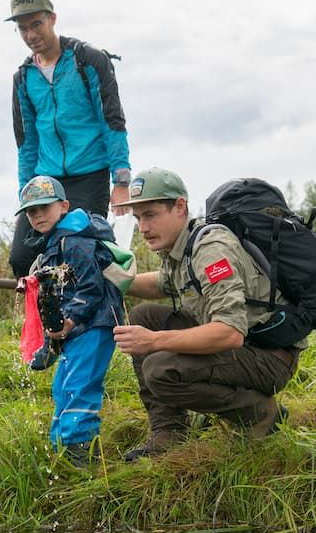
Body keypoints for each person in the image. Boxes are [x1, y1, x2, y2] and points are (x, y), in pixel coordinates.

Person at [112, 168, 302, 461]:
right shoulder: (182, 246)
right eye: (138, 218)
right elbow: (162, 283)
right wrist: (114, 278)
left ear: (180, 206)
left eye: (150, 215)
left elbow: (229, 332)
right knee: (144, 315)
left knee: (160, 370)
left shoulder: (210, 248)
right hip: (246, 349)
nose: (143, 227)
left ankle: (261, 414)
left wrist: (153, 341)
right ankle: (168, 432)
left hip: (268, 358)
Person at [6, 0, 132, 280]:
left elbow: (112, 122)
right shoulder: (23, 78)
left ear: (52, 18)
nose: (30, 35)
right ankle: (43, 312)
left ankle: (92, 309)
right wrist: (25, 193)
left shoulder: (88, 60)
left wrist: (121, 180)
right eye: (22, 28)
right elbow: (26, 143)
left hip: (90, 175)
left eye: (36, 24)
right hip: (45, 181)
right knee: (22, 259)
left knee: (80, 253)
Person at [17, 175, 125, 466]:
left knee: (79, 386)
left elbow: (91, 287)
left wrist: (70, 320)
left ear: (63, 206)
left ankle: (81, 454)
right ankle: (60, 448)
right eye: (31, 211)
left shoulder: (75, 241)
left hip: (95, 324)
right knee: (62, 387)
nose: (38, 215)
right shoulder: (52, 244)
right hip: (78, 327)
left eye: (44, 207)